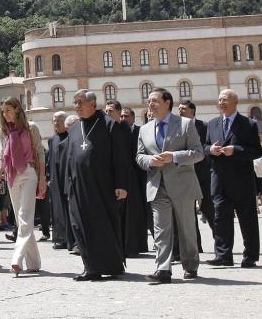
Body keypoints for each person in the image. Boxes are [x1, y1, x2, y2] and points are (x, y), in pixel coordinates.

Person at [135, 89, 204, 283]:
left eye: (155, 100)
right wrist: (150, 160)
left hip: (182, 185)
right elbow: (139, 156)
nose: (150, 104)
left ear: (167, 103)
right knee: (161, 229)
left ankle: (190, 265)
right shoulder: (144, 129)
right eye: (149, 101)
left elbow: (198, 153)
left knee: (186, 229)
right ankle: (163, 269)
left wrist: (173, 157)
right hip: (157, 185)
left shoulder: (185, 124)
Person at [65, 89, 130, 281]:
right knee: (80, 226)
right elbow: (71, 157)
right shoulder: (76, 128)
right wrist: (68, 184)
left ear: (92, 104)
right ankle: (90, 267)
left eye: (80, 102)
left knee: (103, 227)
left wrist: (121, 184)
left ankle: (111, 265)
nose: (76, 106)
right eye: (75, 102)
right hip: (78, 187)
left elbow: (120, 157)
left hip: (103, 186)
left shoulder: (109, 125)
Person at [204, 89, 262, 268]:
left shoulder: (248, 124)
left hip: (242, 181)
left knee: (247, 220)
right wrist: (210, 150)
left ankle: (250, 255)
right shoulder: (212, 124)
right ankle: (223, 255)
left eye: (225, 99)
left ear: (235, 102)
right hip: (219, 180)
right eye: (220, 99)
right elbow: (204, 146)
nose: (221, 102)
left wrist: (235, 150)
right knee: (220, 218)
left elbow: (256, 151)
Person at [0, 97, 45, 276]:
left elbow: (40, 153)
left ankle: (17, 258)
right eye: (3, 111)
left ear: (17, 109)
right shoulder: (4, 131)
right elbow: (1, 156)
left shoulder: (31, 128)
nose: (5, 114)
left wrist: (42, 179)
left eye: (8, 110)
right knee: (21, 219)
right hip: (11, 176)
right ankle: (34, 262)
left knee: (24, 217)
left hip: (29, 172)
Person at [106, 100, 148, 257]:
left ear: (117, 112)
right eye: (107, 111)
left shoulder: (125, 129)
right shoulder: (107, 128)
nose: (108, 114)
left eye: (111, 111)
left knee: (131, 213)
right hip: (112, 176)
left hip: (129, 176)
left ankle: (131, 246)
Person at [178, 101, 214, 250]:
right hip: (184, 175)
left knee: (209, 209)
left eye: (183, 109)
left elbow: (208, 147)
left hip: (203, 174)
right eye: (179, 109)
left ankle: (220, 245)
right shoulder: (177, 128)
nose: (180, 111)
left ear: (192, 111)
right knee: (188, 214)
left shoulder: (204, 126)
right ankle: (195, 247)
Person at [47, 111, 73, 251]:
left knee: (68, 210)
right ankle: (59, 238)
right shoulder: (52, 140)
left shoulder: (71, 138)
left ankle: (70, 239)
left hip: (67, 178)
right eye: (54, 121)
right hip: (55, 179)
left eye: (58, 121)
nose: (56, 123)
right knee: (56, 210)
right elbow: (49, 160)